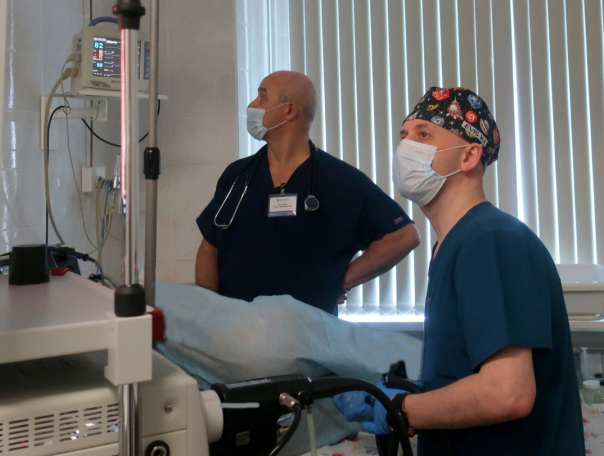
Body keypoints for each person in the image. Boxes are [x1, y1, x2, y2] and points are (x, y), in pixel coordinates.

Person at [334, 87, 584, 454]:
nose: (406, 147)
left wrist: (400, 409)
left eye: (424, 134)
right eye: (404, 135)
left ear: (469, 155)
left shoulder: (490, 240)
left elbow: (507, 393)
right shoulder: (453, 245)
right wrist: (413, 394)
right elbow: (469, 374)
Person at [195, 71, 419, 315]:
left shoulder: (339, 180)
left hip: (308, 332)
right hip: (236, 328)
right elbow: (209, 246)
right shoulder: (237, 175)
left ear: (289, 111)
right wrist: (209, 311)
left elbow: (403, 237)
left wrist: (341, 281)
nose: (251, 105)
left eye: (262, 97)